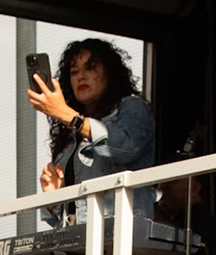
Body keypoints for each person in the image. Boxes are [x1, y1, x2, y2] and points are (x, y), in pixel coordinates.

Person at [33, 38, 156, 221]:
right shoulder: (71, 135)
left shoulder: (131, 107)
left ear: (110, 74)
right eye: (74, 72)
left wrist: (69, 116)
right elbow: (61, 220)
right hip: (82, 243)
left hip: (121, 237)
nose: (81, 76)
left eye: (90, 68)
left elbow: (125, 147)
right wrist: (53, 199)